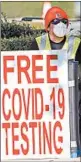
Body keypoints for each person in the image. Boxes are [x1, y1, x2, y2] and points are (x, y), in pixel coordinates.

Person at [30, 6, 81, 147]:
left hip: (71, 94)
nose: (61, 25)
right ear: (47, 26)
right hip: (46, 94)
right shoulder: (38, 43)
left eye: (64, 21)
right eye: (56, 22)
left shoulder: (76, 43)